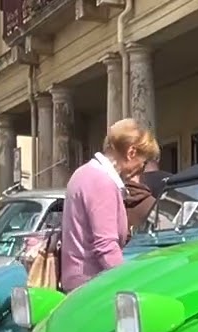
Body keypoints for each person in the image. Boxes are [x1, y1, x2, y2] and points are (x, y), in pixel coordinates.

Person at [60, 118, 159, 291]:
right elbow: (106, 247)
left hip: (77, 281)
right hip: (93, 285)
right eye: (143, 163)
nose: (141, 170)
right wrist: (130, 285)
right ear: (131, 152)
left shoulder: (83, 173)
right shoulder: (102, 182)